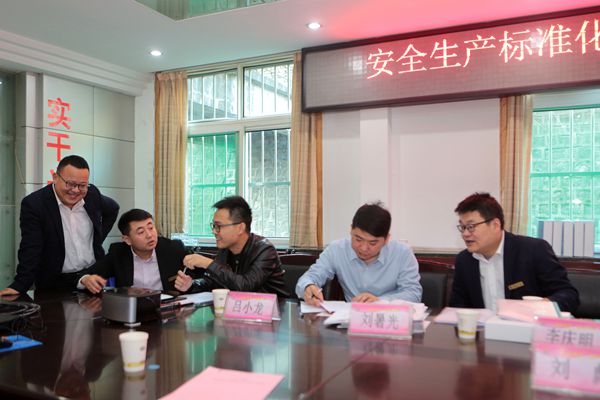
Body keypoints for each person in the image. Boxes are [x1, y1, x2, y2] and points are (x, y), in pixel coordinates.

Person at [0, 155, 119, 296]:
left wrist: (96, 239)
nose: (76, 190)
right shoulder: (35, 204)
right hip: (55, 283)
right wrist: (20, 285)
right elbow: (31, 248)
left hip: (92, 278)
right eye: (70, 184)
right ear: (55, 177)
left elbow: (113, 208)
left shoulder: (92, 194)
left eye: (82, 185)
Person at [449, 192, 579, 313]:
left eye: (471, 227)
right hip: (483, 329)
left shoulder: (534, 250)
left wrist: (541, 306)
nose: (465, 234)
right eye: (463, 227)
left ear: (495, 225)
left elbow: (568, 295)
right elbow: (458, 305)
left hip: (527, 328)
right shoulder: (464, 260)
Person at [296, 202, 422, 305]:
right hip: (351, 320)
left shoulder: (402, 253)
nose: (364, 248)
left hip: (391, 320)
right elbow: (309, 277)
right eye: (358, 239)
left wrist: (380, 301)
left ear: (386, 239)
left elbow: (413, 294)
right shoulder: (336, 250)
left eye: (372, 243)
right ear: (351, 230)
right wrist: (308, 286)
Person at [174, 196, 288, 297]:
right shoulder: (225, 249)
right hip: (239, 310)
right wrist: (191, 285)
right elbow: (213, 283)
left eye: (219, 226)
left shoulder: (264, 250)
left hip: (274, 310)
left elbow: (245, 287)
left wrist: (208, 263)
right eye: (214, 226)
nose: (214, 231)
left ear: (240, 228)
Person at [78, 209, 187, 293]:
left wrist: (190, 284)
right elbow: (84, 274)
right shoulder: (118, 253)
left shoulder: (174, 249)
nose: (149, 235)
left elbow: (196, 279)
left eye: (151, 228)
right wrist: (86, 279)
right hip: (131, 309)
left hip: (168, 309)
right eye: (141, 232)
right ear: (127, 240)